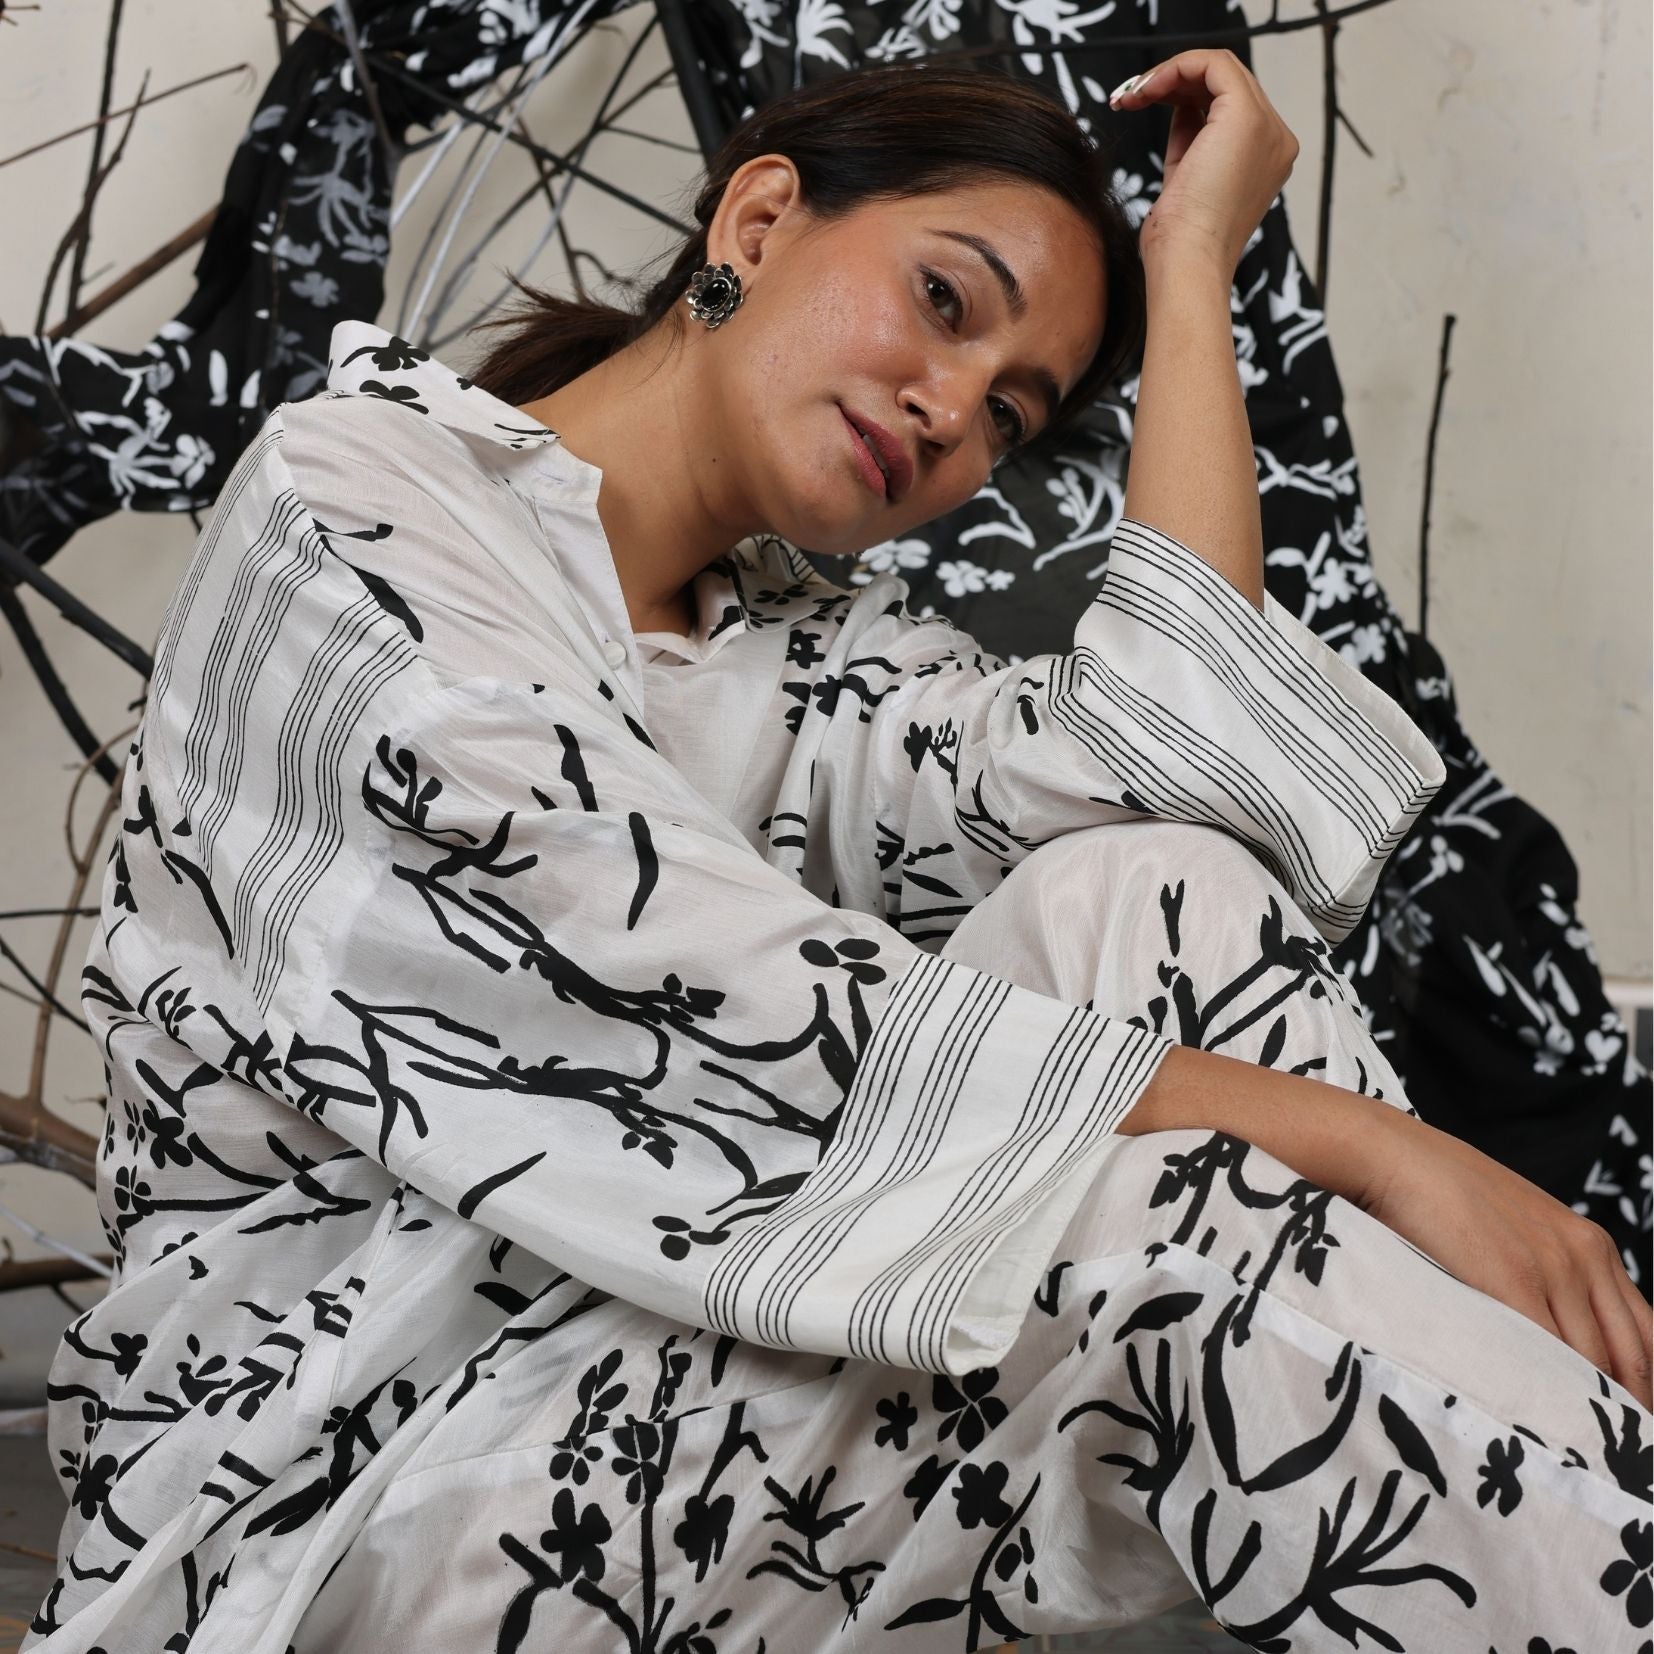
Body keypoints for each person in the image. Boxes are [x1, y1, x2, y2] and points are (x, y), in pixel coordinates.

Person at [28, 52, 1650, 1654]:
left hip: (651, 1371)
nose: (952, 413)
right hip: (333, 1479)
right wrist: (1373, 1143)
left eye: (1008, 414)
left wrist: (1191, 262)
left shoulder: (803, 660)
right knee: (1156, 1233)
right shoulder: (359, 506)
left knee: (1159, 888)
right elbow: (731, 1003)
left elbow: (1192, 754)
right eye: (947, 303)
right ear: (756, 217)